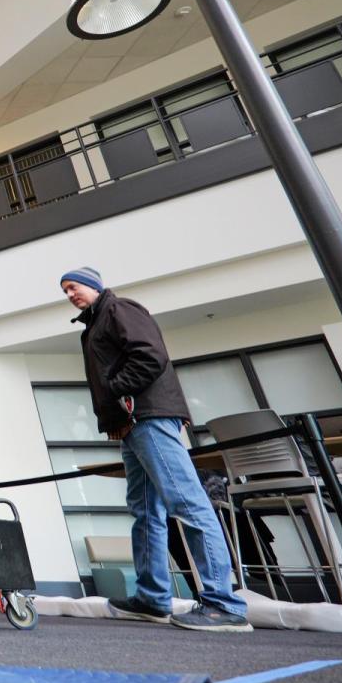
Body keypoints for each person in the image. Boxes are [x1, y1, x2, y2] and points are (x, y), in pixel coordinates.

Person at [61, 266, 251, 633]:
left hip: (149, 418)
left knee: (188, 503)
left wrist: (118, 391)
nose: (70, 294)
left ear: (94, 286)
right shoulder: (95, 324)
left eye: (75, 286)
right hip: (132, 425)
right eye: (65, 290)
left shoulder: (119, 310)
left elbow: (151, 355)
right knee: (145, 510)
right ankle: (152, 598)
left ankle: (224, 603)